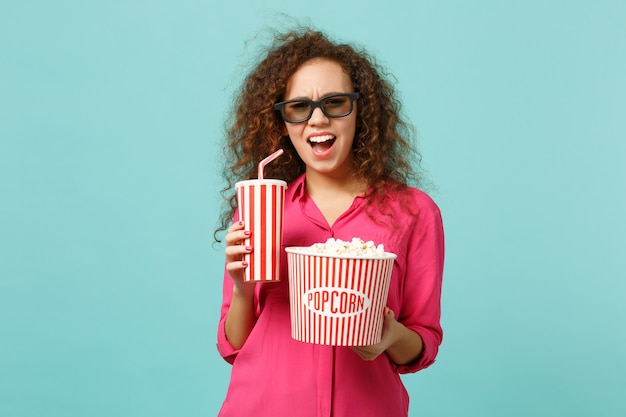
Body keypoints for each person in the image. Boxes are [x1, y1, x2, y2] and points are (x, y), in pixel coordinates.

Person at [215, 27, 444, 417]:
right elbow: (234, 345)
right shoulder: (261, 210)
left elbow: (422, 344)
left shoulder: (414, 212)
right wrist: (241, 288)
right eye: (299, 107)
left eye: (335, 102)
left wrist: (389, 335)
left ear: (361, 111)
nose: (317, 120)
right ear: (282, 121)